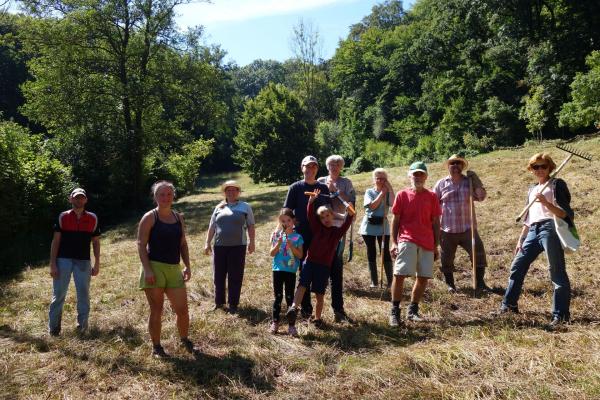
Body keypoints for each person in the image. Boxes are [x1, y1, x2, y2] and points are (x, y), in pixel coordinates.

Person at [497, 153, 574, 327]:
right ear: (531, 170)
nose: (539, 170)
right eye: (535, 167)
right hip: (532, 230)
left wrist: (546, 203)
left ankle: (560, 315)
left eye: (543, 166)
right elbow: (528, 218)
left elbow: (565, 214)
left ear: (550, 167)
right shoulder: (532, 189)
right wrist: (520, 240)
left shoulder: (556, 184)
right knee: (517, 266)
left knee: (556, 270)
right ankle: (509, 306)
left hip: (550, 229)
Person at [137, 181, 195, 358]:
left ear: (173, 196)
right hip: (154, 267)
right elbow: (140, 244)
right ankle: (156, 347)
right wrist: (147, 270)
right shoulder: (150, 217)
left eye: (169, 194)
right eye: (161, 194)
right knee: (157, 309)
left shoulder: (178, 218)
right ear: (155, 197)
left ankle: (184, 339)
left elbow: (183, 244)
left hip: (173, 268)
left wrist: (187, 265)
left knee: (182, 309)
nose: (165, 197)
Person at [286, 189, 354, 329]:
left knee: (319, 294)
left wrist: (351, 213)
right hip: (309, 262)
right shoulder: (317, 228)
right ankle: (293, 308)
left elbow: (347, 222)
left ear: (332, 215)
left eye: (328, 215)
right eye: (322, 217)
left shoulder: (336, 233)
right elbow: (310, 215)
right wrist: (311, 202)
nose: (326, 219)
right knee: (302, 285)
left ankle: (317, 318)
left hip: (324, 267)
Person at [389, 162, 441, 326]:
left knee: (424, 277)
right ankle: (395, 311)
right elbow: (395, 219)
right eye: (415, 174)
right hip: (407, 239)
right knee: (400, 274)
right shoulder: (402, 195)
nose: (418, 177)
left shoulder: (432, 196)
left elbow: (435, 222)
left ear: (426, 177)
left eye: (421, 174)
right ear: (409, 175)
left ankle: (412, 310)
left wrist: (435, 245)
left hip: (427, 241)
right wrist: (394, 242)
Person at [433, 154, 489, 293]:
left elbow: (481, 197)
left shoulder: (468, 182)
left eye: (458, 163)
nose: (455, 166)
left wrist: (475, 180)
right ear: (448, 166)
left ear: (462, 166)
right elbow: (432, 204)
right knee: (447, 259)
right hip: (447, 229)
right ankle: (450, 284)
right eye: (453, 163)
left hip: (467, 228)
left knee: (479, 253)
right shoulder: (441, 184)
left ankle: (480, 283)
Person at [48, 188, 100, 336]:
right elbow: (55, 241)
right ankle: (54, 329)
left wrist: (97, 263)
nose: (79, 200)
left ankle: (82, 328)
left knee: (83, 294)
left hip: (83, 261)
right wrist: (53, 264)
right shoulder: (62, 217)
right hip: (63, 260)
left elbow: (96, 242)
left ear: (86, 200)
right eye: (76, 197)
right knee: (58, 294)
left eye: (82, 197)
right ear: (70, 199)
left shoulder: (93, 218)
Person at [283, 155, 330, 318]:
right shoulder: (295, 187)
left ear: (317, 169)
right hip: (300, 236)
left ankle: (312, 309)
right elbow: (287, 211)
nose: (310, 169)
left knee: (314, 269)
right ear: (302, 168)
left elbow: (327, 211)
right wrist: (292, 223)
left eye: (313, 167)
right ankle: (303, 307)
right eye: (307, 166)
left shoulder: (323, 188)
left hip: (318, 238)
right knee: (301, 270)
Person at [204, 180, 255, 314]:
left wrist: (252, 242)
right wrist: (207, 243)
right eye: (228, 190)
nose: (231, 192)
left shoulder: (245, 206)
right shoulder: (218, 207)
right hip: (220, 246)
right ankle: (219, 303)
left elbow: (251, 225)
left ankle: (233, 304)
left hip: (238, 246)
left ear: (238, 192)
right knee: (218, 275)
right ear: (225, 192)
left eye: (234, 190)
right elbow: (212, 226)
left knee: (235, 275)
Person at [317, 155, 356, 322]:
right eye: (331, 164)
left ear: (341, 167)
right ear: (327, 166)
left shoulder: (346, 182)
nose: (334, 166)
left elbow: (351, 205)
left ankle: (338, 310)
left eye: (338, 164)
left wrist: (336, 191)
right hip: (322, 231)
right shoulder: (320, 180)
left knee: (336, 270)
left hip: (339, 230)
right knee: (320, 269)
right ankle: (314, 311)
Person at [269, 208, 304, 336]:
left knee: (290, 297)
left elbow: (300, 255)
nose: (286, 223)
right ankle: (275, 322)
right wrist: (278, 243)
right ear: (280, 221)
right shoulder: (276, 235)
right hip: (277, 270)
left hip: (290, 271)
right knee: (278, 297)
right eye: (283, 221)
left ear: (293, 221)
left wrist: (291, 245)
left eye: (289, 220)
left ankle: (291, 325)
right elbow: (271, 253)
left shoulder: (297, 237)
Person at [359, 168, 394, 288]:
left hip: (383, 226)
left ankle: (390, 282)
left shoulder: (388, 192)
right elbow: (372, 206)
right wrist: (381, 194)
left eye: (383, 178)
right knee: (371, 251)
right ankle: (374, 281)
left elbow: (393, 203)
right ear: (374, 179)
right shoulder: (369, 192)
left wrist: (389, 188)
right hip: (369, 227)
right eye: (377, 178)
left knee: (385, 252)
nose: (380, 180)